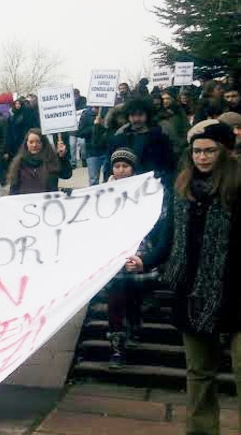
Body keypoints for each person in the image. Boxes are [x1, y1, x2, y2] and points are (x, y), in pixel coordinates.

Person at [138, 120, 238, 434]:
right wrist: (144, 260)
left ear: (224, 152)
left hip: (235, 293)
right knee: (198, 373)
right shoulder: (182, 187)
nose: (202, 157)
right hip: (192, 291)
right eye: (197, 151)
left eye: (209, 150)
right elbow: (169, 239)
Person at [101, 147, 160, 369]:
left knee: (133, 294)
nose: (121, 170)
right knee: (115, 300)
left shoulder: (146, 190)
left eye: (125, 166)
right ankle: (117, 347)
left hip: (138, 250)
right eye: (117, 166)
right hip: (112, 253)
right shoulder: (102, 192)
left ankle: (135, 323)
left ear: (133, 169)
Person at [108, 97, 176, 186]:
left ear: (147, 115)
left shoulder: (160, 138)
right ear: (128, 116)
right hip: (125, 187)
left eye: (140, 115)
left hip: (152, 186)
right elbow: (111, 165)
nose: (136, 119)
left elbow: (169, 166)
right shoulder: (119, 139)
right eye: (133, 115)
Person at [8, 128, 72, 195]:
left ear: (43, 143)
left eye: (38, 142)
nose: (34, 145)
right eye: (31, 142)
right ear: (26, 144)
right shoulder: (19, 163)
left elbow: (66, 175)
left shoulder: (51, 160)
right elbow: (13, 190)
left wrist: (63, 158)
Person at [157, 90, 191, 158]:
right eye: (163, 99)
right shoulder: (158, 114)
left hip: (178, 148)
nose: (165, 101)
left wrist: (181, 143)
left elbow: (186, 127)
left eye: (168, 98)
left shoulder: (179, 111)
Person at [78, 106, 105, 185]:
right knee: (93, 180)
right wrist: (95, 126)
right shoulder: (86, 114)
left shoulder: (108, 111)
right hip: (92, 152)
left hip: (107, 150)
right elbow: (80, 132)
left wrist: (103, 124)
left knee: (109, 179)